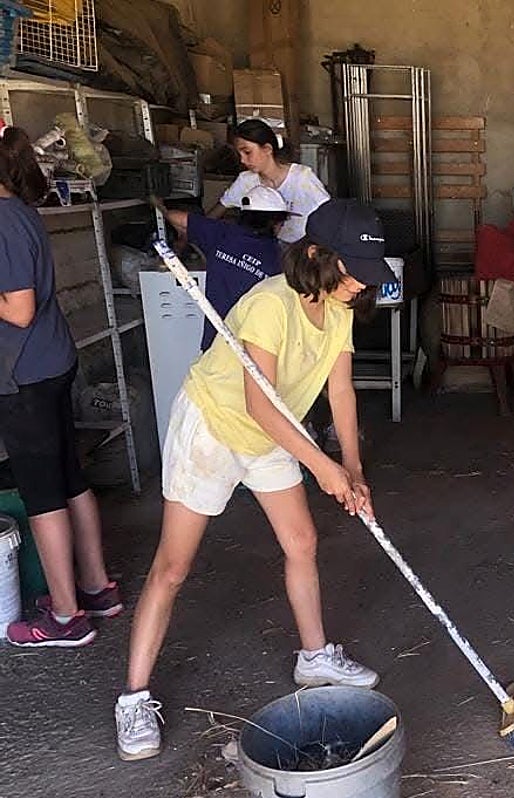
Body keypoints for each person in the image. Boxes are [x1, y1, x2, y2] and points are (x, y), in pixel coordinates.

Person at [114, 200, 393, 762]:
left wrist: (354, 469)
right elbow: (256, 405)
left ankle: (313, 658)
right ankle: (134, 697)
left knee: (303, 542)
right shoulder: (270, 304)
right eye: (355, 268)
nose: (362, 283)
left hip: (275, 431)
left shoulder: (338, 309)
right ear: (316, 255)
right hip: (213, 425)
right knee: (173, 566)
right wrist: (323, 468)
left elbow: (340, 392)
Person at [0, 122, 121, 648]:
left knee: (41, 488)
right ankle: (95, 587)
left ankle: (66, 616)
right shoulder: (21, 212)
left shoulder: (0, 220)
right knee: (69, 474)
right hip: (51, 360)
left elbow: (18, 310)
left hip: (23, 370)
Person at [157, 185, 291, 350]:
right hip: (253, 349)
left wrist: (185, 233)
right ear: (274, 223)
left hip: (214, 342)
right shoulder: (278, 257)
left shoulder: (221, 234)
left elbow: (174, 216)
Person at [216, 119, 329, 244]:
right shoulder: (245, 181)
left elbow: (329, 215)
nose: (242, 160)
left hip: (301, 252)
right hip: (263, 250)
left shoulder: (302, 178)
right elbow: (218, 211)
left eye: (247, 152)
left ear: (268, 149)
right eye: (239, 154)